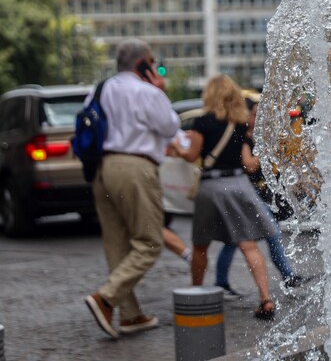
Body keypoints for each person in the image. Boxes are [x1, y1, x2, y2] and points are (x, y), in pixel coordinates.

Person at [84, 38, 180, 338]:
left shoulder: (99, 89)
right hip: (135, 167)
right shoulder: (147, 91)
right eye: (153, 62)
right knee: (149, 242)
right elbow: (170, 127)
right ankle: (106, 297)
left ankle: (130, 315)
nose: (156, 67)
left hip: (103, 169)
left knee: (117, 244)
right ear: (143, 64)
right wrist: (160, 90)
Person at [172, 74, 276, 320]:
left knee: (200, 245)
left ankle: (196, 294)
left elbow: (191, 156)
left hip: (212, 185)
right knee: (248, 244)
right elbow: (245, 161)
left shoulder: (202, 123)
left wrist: (177, 148)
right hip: (238, 184)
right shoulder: (239, 124)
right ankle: (266, 298)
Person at [214, 97, 305, 297]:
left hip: (250, 193)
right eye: (254, 114)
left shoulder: (253, 136)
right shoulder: (241, 137)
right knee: (270, 232)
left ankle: (220, 282)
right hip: (244, 193)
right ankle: (287, 276)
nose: (258, 117)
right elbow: (249, 165)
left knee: (234, 239)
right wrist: (265, 153)